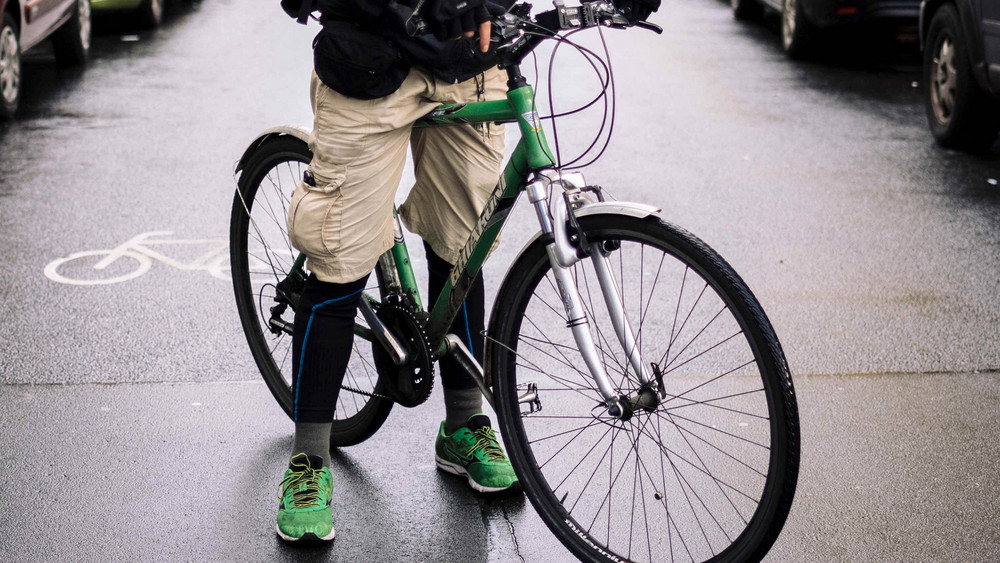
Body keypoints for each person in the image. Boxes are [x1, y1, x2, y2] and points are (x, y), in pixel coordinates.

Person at [273, 0, 659, 543]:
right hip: (371, 61)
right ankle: (309, 459)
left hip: (471, 61)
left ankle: (463, 425)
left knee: (463, 245)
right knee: (340, 259)